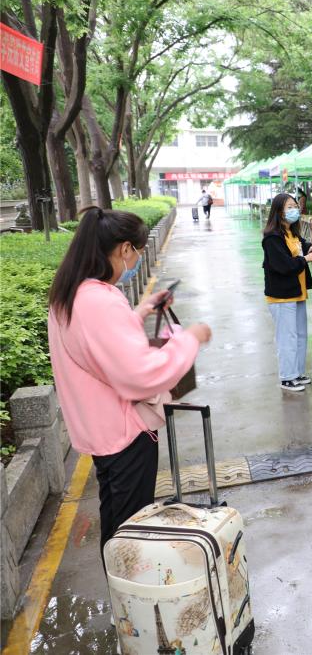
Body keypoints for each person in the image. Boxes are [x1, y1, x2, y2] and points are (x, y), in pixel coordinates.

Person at [47, 207, 212, 558]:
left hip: (100, 433)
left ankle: (118, 585)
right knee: (131, 534)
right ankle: (126, 590)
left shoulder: (70, 293)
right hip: (126, 435)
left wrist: (142, 310)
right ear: (124, 249)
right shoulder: (100, 301)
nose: (136, 259)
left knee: (115, 521)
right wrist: (190, 340)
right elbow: (142, 375)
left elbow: (102, 346)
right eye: (137, 251)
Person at [262, 192, 312, 392]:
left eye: (295, 206)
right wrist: (306, 259)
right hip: (281, 296)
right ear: (279, 212)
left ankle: (298, 373)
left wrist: (311, 247)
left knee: (300, 335)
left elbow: (302, 245)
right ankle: (287, 377)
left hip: (297, 293)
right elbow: (284, 265)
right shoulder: (272, 238)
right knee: (287, 338)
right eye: (289, 207)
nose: (294, 209)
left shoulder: (291, 233)